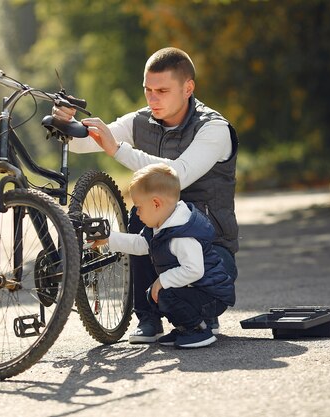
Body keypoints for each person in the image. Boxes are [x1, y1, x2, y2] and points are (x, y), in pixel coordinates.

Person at [53, 47, 239, 343]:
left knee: (196, 287)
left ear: (188, 88)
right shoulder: (140, 120)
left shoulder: (214, 128)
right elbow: (85, 144)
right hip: (161, 234)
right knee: (139, 216)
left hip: (210, 243)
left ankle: (201, 313)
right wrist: (67, 125)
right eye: (148, 90)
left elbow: (177, 175)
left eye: (162, 90)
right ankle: (148, 320)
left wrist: (117, 150)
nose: (153, 99)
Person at [91, 163, 232, 348]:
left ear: (156, 203)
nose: (137, 213)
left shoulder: (182, 234)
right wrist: (109, 239)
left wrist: (162, 280)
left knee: (164, 294)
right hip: (195, 290)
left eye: (139, 207)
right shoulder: (162, 225)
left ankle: (198, 330)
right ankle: (185, 327)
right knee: (156, 294)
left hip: (211, 295)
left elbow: (194, 270)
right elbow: (141, 244)